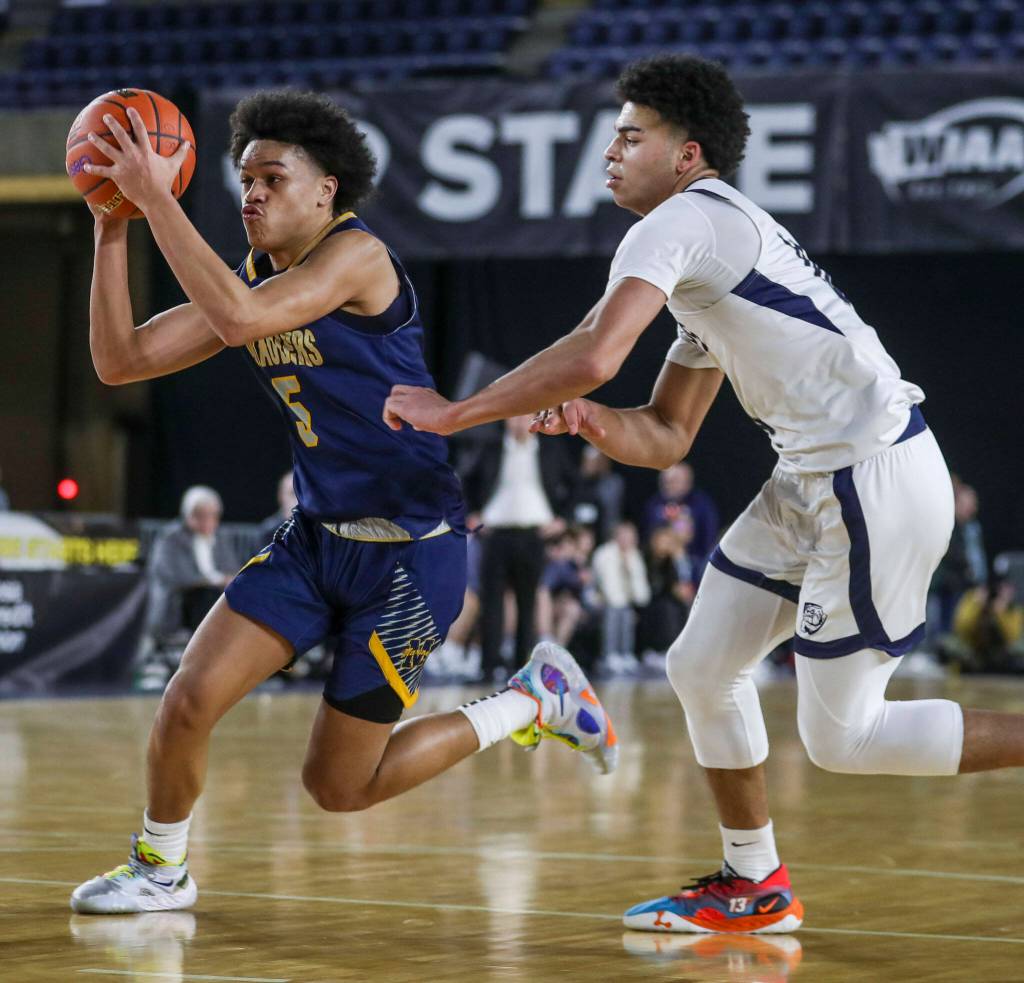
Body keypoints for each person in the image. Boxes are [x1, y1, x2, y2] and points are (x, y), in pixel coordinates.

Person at [384, 53, 1024, 936]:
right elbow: (667, 433)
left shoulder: (682, 222)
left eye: (630, 135)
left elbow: (593, 350)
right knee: (699, 665)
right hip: (811, 476)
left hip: (871, 477)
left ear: (688, 156)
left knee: (846, 740)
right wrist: (593, 421)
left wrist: (456, 412)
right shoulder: (704, 256)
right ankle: (754, 883)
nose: (610, 150)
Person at [70, 90, 617, 916]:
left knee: (339, 786)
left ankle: (530, 701)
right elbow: (120, 360)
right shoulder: (251, 276)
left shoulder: (358, 258)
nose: (250, 194)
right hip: (315, 541)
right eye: (243, 178)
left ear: (327, 191)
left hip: (410, 551)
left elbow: (242, 316)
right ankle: (160, 868)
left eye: (272, 178)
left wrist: (154, 197)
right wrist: (114, 225)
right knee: (187, 700)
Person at [458, 414, 575, 681]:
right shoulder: (491, 447)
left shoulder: (550, 449)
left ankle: (522, 669)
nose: (520, 423)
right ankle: (488, 668)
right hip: (495, 533)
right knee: (491, 602)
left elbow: (575, 483)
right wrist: (471, 513)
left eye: (525, 417)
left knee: (527, 601)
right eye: (515, 417)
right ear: (507, 420)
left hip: (534, 534)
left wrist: (563, 518)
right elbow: (465, 480)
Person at [643, 462, 718, 568]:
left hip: (695, 561)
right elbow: (649, 537)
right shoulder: (654, 504)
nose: (669, 485)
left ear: (687, 482)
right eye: (666, 481)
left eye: (674, 481)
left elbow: (709, 538)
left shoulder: (702, 504)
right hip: (660, 563)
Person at [253, 469, 297, 550]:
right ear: (280, 497)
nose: (299, 501)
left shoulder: (322, 530)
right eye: (293, 494)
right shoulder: (268, 533)